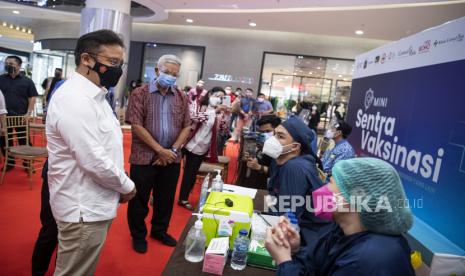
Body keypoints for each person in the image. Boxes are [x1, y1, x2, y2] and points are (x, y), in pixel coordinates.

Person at [46, 29, 136, 276]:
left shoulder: (96, 96)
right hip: (82, 207)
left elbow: (105, 149)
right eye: (112, 62)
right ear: (86, 59)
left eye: (120, 63)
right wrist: (126, 186)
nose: (118, 70)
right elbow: (92, 159)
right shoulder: (74, 98)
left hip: (94, 202)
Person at [265, 158, 415, 275]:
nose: (323, 189)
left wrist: (284, 261)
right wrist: (295, 250)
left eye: (330, 183)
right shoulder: (342, 231)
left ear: (355, 197)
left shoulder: (364, 261)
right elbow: (317, 266)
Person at [126, 54, 191, 253]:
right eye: (167, 72)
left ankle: (159, 231)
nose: (171, 76)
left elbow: (187, 126)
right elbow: (136, 125)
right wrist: (159, 150)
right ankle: (138, 235)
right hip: (144, 157)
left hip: (171, 158)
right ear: (157, 71)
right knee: (139, 200)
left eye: (175, 74)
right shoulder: (140, 93)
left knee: (166, 199)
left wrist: (171, 151)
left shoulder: (181, 96)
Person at [263, 116, 330, 245]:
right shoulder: (279, 161)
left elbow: (289, 218)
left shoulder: (294, 168)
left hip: (309, 239)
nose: (273, 140)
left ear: (294, 147)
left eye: (280, 137)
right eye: (275, 134)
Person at [178, 87, 228, 210]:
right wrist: (214, 111)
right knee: (170, 169)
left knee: (190, 173)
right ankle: (158, 194)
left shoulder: (220, 112)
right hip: (185, 142)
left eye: (222, 98)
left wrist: (225, 116)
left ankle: (183, 199)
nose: (219, 99)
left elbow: (222, 129)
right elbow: (194, 117)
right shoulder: (198, 103)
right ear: (210, 94)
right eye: (217, 95)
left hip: (201, 147)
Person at [0, 55, 38, 167]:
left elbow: (32, 98)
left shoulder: (27, 81)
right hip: (4, 117)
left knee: (24, 140)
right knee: (5, 141)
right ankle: (10, 163)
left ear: (19, 65)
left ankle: (27, 163)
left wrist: (28, 113)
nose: (8, 66)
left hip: (21, 116)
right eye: (6, 63)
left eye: (11, 64)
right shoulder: (1, 79)